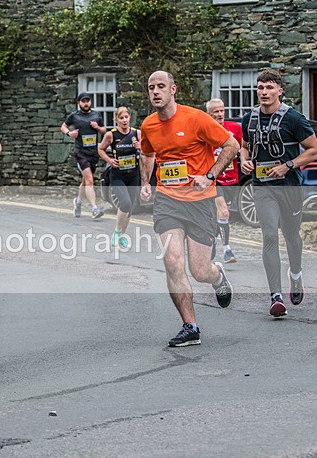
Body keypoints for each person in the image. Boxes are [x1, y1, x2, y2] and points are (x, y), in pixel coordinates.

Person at [139, 71, 239, 347]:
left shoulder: (196, 118)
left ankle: (216, 275)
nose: (155, 91)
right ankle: (190, 326)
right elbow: (147, 153)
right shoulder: (148, 125)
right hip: (167, 200)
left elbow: (232, 144)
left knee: (199, 271)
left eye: (161, 86)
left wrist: (209, 176)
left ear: (173, 90)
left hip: (199, 201)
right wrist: (145, 182)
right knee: (172, 262)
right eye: (151, 87)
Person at [239, 69, 317, 318]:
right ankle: (275, 296)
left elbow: (315, 150)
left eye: (270, 87)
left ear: (280, 90)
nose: (264, 92)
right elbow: (245, 147)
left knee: (291, 236)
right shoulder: (249, 119)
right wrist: (244, 160)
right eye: (260, 87)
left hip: (290, 186)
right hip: (263, 187)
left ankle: (295, 275)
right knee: (269, 236)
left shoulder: (293, 118)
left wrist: (288, 165)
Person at [97, 106, 142, 248]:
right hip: (117, 176)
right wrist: (109, 160)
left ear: (130, 118)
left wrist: (140, 146)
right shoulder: (111, 135)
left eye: (126, 117)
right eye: (121, 118)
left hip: (134, 175)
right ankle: (116, 232)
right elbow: (100, 149)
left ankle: (122, 234)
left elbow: (148, 150)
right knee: (125, 203)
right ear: (116, 119)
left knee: (130, 208)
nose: (124, 120)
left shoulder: (137, 133)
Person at [205, 98, 242, 264]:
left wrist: (245, 160)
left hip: (232, 178)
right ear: (209, 114)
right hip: (213, 179)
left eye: (222, 111)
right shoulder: (204, 131)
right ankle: (227, 250)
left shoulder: (234, 128)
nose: (220, 115)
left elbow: (241, 150)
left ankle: (210, 243)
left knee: (218, 217)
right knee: (224, 211)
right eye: (216, 112)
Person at [60, 92, 107, 219]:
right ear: (79, 103)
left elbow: (104, 130)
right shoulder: (74, 116)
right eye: (83, 101)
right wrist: (69, 133)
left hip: (93, 152)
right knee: (90, 180)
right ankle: (94, 208)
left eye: (88, 101)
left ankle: (78, 201)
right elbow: (63, 126)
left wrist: (98, 128)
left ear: (90, 102)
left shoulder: (96, 115)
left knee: (85, 180)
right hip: (81, 153)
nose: (86, 103)